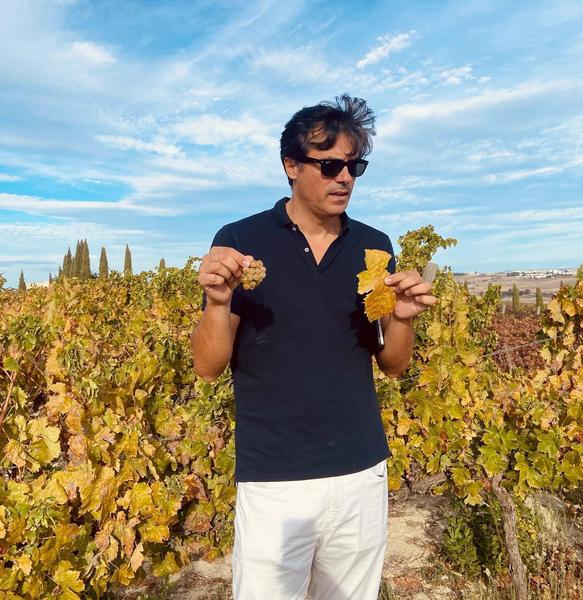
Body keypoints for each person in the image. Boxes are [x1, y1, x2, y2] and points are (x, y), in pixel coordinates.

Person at [190, 94, 437, 600]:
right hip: (274, 480)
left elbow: (393, 364)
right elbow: (208, 365)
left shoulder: (375, 247)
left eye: (354, 166)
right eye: (329, 166)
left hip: (361, 472)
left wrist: (401, 319)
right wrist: (217, 303)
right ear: (291, 166)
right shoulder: (240, 241)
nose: (344, 178)